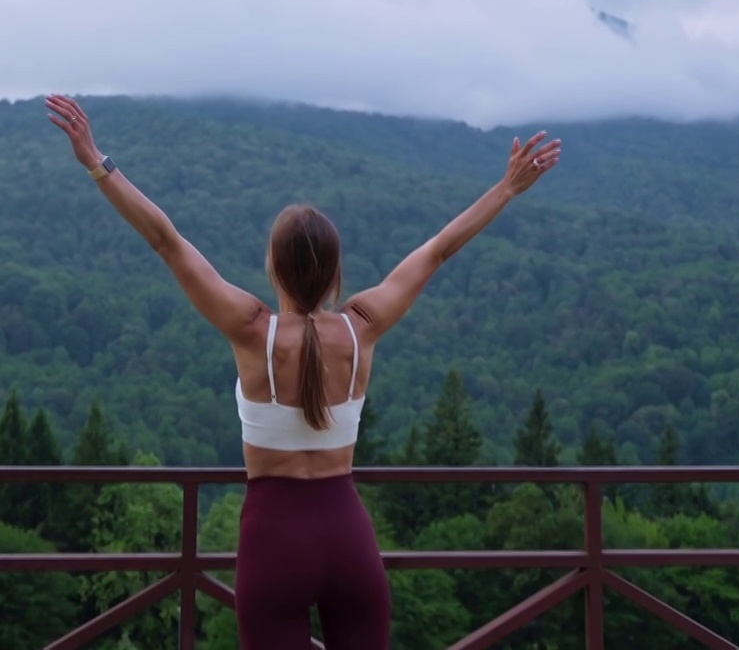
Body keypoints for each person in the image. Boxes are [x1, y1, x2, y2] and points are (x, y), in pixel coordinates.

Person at [46, 94, 561, 649]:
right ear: (337, 271)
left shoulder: (251, 330)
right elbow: (436, 250)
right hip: (349, 541)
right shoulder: (362, 328)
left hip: (273, 544)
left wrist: (98, 162)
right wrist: (505, 190)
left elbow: (166, 242)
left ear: (273, 265)